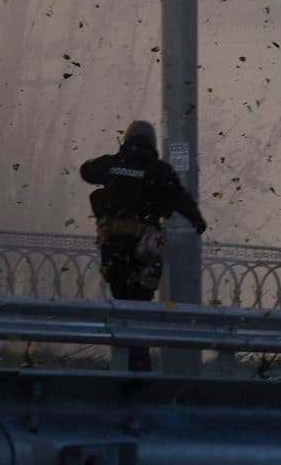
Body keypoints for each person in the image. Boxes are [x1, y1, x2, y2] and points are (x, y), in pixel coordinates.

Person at [80, 120, 206, 372]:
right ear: (151, 142)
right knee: (140, 306)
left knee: (122, 303)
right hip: (145, 251)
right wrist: (197, 220)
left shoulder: (112, 164)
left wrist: (113, 168)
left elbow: (86, 171)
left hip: (113, 249)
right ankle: (139, 366)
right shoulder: (159, 171)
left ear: (126, 139)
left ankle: (122, 364)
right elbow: (180, 199)